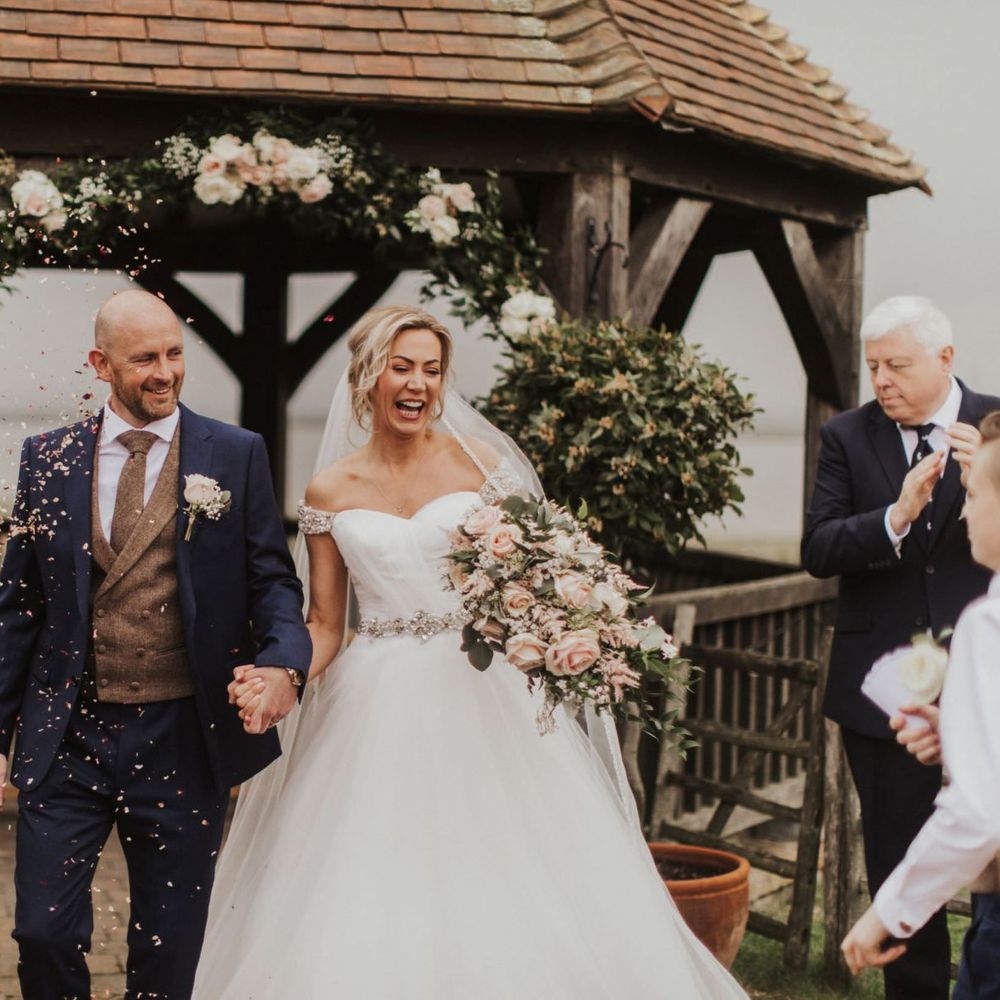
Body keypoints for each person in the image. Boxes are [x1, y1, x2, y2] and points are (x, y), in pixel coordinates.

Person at [193, 305, 749, 999]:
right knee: (370, 869)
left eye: (431, 370)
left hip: (480, 687)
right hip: (374, 699)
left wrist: (566, 625)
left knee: (509, 859)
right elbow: (326, 621)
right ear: (368, 377)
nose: (418, 384)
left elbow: (536, 577)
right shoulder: (330, 490)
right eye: (401, 368)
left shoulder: (483, 467)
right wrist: (285, 671)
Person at [0, 289, 311, 999]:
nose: (165, 371)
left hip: (181, 735)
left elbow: (273, 581)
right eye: (144, 358)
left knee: (169, 950)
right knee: (41, 932)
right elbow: (18, 607)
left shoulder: (234, 454)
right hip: (68, 735)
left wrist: (282, 665)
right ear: (100, 365)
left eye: (174, 353)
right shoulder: (47, 458)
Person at [801, 295, 1000, 999]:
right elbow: (818, 548)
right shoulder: (846, 436)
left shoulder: (998, 423)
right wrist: (894, 517)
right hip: (886, 692)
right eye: (873, 366)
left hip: (988, 678)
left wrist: (992, 476)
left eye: (897, 365)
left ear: (945, 359)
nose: (881, 380)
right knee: (898, 856)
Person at [842, 411, 1000, 998]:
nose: (963, 512)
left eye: (976, 494)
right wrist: (961, 731)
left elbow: (981, 812)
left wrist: (889, 911)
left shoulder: (990, 622)